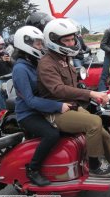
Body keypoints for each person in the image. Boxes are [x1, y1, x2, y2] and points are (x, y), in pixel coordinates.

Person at [38, 18, 110, 177]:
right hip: (56, 112)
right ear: (54, 40)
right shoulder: (46, 63)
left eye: (72, 39)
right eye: (66, 40)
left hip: (70, 106)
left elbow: (74, 85)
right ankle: (95, 166)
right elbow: (58, 90)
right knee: (94, 122)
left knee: (102, 130)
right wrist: (90, 94)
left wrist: (96, 93)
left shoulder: (63, 59)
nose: (71, 43)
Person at [12, 26, 68, 186]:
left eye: (40, 43)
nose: (41, 47)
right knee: (52, 135)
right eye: (37, 44)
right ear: (25, 44)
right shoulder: (20, 69)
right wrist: (58, 106)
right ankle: (33, 169)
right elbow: (29, 100)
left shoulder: (33, 63)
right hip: (28, 114)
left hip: (42, 108)